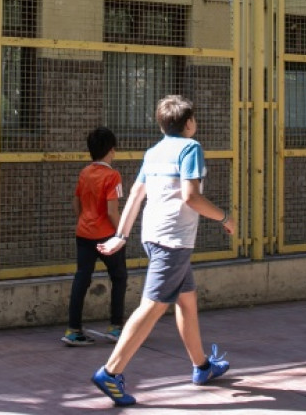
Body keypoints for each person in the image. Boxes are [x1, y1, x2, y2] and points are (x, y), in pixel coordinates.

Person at [90, 95, 236, 407]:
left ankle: (201, 367)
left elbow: (135, 195)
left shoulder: (154, 152)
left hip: (154, 235)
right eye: (193, 120)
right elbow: (191, 198)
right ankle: (110, 372)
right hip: (173, 242)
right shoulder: (191, 147)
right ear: (189, 124)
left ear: (161, 124)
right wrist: (225, 217)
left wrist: (121, 236)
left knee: (186, 301)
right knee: (153, 306)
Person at [62, 126, 129, 346]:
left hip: (84, 233)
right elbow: (112, 211)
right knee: (119, 277)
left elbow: (76, 201)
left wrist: (83, 219)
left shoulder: (85, 172)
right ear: (112, 150)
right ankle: (115, 326)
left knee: (82, 277)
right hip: (107, 235)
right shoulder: (113, 175)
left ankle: (73, 329)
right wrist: (122, 233)